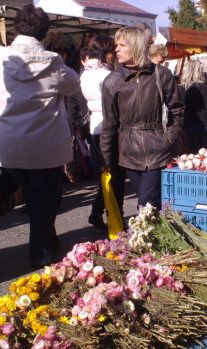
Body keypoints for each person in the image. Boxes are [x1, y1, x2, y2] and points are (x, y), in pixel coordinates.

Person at [0, 4, 79, 269]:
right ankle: (41, 256)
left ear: (17, 28)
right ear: (44, 31)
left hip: (10, 145)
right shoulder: (53, 62)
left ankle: (49, 238)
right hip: (46, 145)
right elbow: (73, 85)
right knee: (43, 200)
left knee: (33, 195)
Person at [100, 26, 184, 210]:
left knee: (146, 205)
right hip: (129, 152)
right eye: (117, 45)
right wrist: (107, 159)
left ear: (136, 46)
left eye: (122, 45)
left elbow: (177, 110)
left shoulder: (161, 74)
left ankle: (147, 236)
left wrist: (168, 138)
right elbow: (109, 123)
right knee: (150, 204)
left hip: (157, 149)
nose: (116, 49)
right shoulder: (112, 81)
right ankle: (158, 235)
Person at [80, 35, 125, 230]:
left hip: (95, 126)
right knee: (116, 174)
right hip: (110, 125)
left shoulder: (86, 73)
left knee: (107, 172)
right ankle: (115, 215)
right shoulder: (107, 75)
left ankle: (98, 211)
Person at [180, 60, 207, 153]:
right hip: (202, 124)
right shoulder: (202, 87)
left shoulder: (181, 88)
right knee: (200, 156)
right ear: (199, 71)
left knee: (188, 155)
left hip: (186, 123)